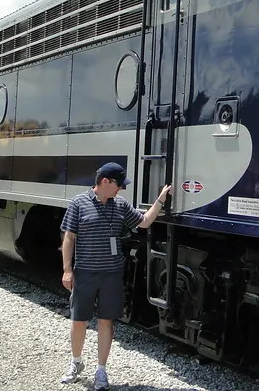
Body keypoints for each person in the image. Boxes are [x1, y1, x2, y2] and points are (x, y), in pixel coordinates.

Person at [60, 162, 171, 390]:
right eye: (118, 185)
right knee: (79, 321)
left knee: (106, 321)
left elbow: (144, 221)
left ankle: (101, 370)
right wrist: (68, 270)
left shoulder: (120, 205)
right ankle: (76, 363)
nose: (120, 190)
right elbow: (69, 237)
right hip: (85, 273)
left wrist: (160, 200)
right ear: (105, 182)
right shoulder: (78, 204)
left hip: (111, 275)